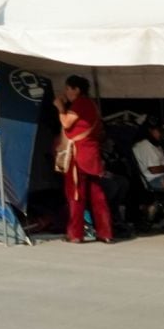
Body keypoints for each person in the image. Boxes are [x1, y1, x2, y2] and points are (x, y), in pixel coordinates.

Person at [55, 75, 112, 244]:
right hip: (91, 155)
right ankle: (105, 232)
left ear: (76, 90)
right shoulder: (92, 105)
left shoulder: (80, 104)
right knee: (97, 196)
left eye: (68, 88)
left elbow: (66, 123)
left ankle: (75, 234)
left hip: (78, 155)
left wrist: (60, 107)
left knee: (75, 195)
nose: (66, 92)